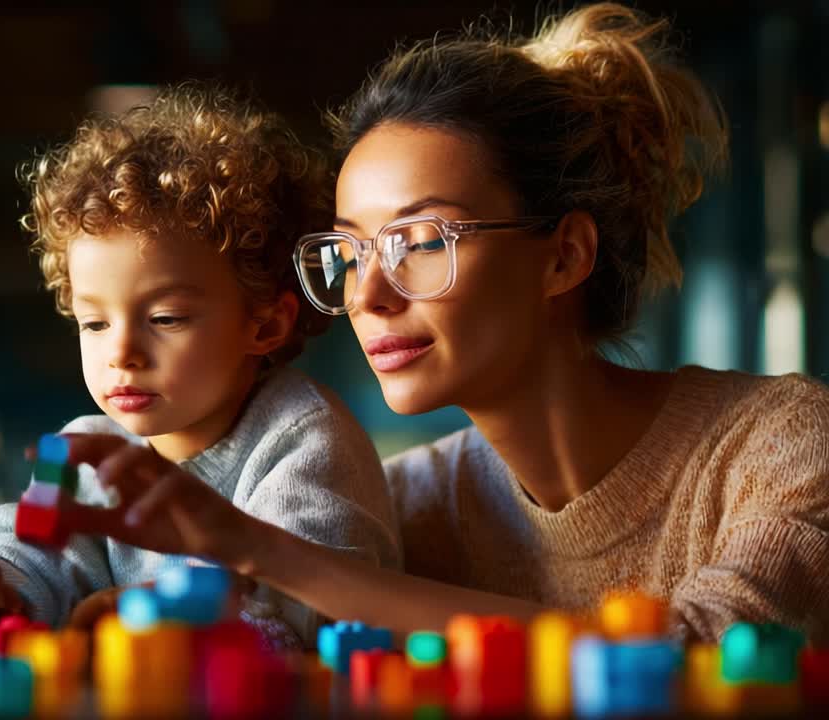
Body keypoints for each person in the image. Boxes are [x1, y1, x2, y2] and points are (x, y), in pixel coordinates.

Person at [63, 3, 829, 644]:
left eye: (421, 243)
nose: (369, 295)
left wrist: (265, 552)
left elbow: (706, 652)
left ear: (563, 256)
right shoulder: (402, 510)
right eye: (352, 253)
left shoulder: (781, 444)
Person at [0, 84, 400, 647]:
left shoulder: (305, 442)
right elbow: (32, 546)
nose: (121, 353)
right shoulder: (89, 448)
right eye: (94, 323)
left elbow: (295, 615)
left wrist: (144, 621)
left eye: (165, 318)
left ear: (265, 324)